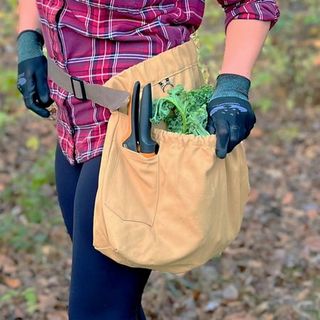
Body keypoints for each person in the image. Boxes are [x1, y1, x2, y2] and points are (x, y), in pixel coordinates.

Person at [16, 0, 280, 319]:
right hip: (74, 117)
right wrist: (29, 41)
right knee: (112, 301)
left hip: (144, 122)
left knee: (98, 310)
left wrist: (233, 87)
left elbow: (249, 4)